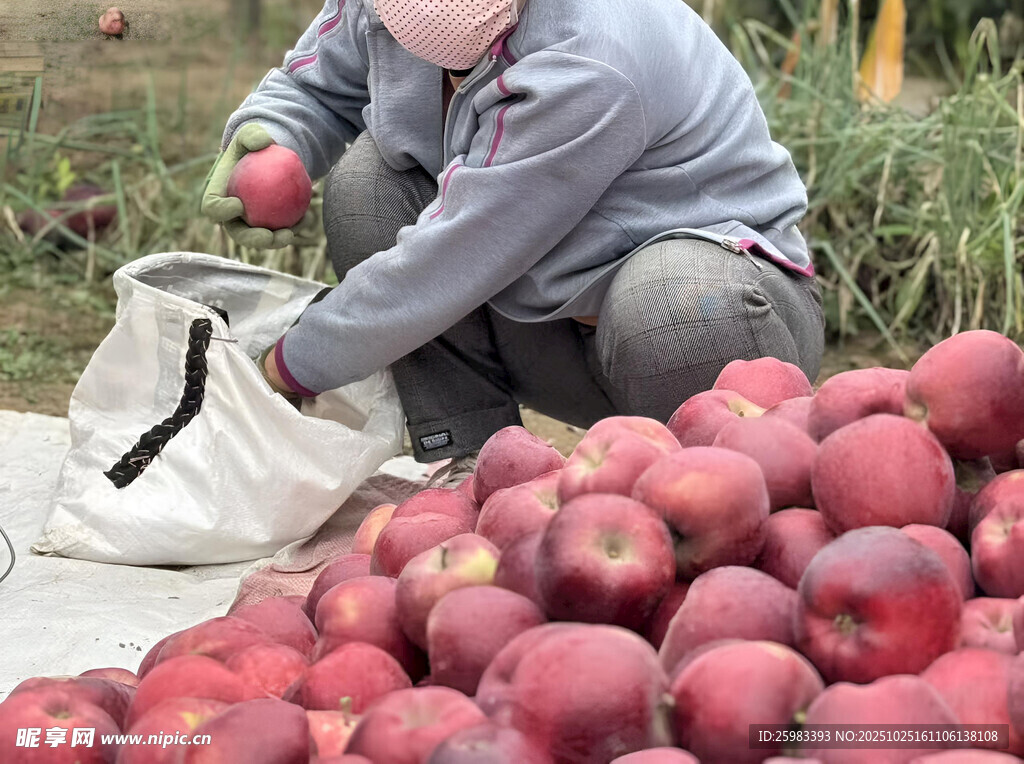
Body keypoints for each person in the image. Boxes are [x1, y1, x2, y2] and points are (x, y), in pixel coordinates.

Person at [202, 0, 825, 481]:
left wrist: (284, 368)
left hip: (716, 322)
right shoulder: (390, 6)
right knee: (372, 181)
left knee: (669, 304)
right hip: (549, 322)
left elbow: (449, 261)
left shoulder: (591, 55)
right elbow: (318, 82)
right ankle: (475, 466)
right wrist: (275, 136)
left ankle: (701, 496)